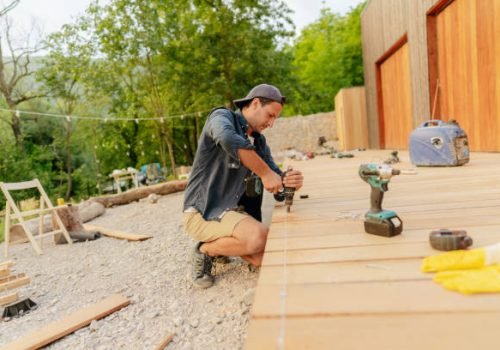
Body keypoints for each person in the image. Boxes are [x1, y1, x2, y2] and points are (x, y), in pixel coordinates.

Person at [183, 83, 304, 288]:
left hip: (235, 213)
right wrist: (264, 173)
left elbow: (276, 180)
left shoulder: (259, 142)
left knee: (264, 259)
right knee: (259, 238)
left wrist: (288, 181)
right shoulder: (221, 117)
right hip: (205, 211)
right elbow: (226, 137)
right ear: (255, 103)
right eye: (270, 115)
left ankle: (222, 248)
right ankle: (205, 251)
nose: (271, 123)